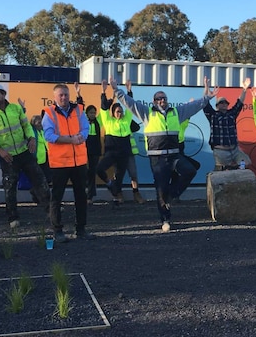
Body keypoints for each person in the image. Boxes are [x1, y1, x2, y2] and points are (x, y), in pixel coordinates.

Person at [112, 78, 213, 231]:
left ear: (167, 101)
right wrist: (116, 90)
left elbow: (193, 106)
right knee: (161, 190)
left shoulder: (176, 113)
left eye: (164, 98)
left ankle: (173, 194)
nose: (161, 100)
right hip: (157, 159)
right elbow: (129, 103)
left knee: (190, 170)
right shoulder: (147, 113)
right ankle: (165, 219)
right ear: (153, 101)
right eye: (158, 98)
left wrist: (207, 97)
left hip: (174, 155)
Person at [0, 82, 50, 230]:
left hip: (24, 152)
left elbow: (26, 126)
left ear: (4, 95)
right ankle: (13, 217)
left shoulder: (16, 108)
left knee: (39, 179)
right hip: (8, 157)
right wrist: (0, 151)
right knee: (10, 186)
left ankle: (50, 209)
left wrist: (31, 138)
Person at [42, 84, 94, 242]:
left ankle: (81, 229)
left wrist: (81, 137)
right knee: (56, 198)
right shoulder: (49, 113)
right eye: (60, 95)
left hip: (78, 162)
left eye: (65, 94)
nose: (63, 98)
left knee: (81, 196)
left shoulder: (78, 110)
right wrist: (70, 140)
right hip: (60, 163)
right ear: (55, 97)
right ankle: (57, 231)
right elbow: (49, 136)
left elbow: (86, 127)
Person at [97, 79, 138, 207]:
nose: (119, 113)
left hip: (124, 152)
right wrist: (103, 92)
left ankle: (117, 195)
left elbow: (130, 106)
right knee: (99, 169)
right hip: (111, 152)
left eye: (121, 111)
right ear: (113, 113)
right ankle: (110, 184)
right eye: (117, 112)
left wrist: (129, 92)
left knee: (119, 177)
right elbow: (104, 108)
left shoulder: (126, 120)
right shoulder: (108, 121)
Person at [203, 76, 252, 171]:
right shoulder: (213, 115)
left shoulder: (231, 114)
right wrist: (206, 87)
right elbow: (204, 103)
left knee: (245, 163)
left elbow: (240, 103)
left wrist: (244, 89)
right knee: (221, 172)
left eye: (226, 103)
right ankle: (225, 172)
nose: (224, 104)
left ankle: (235, 170)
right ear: (217, 106)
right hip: (220, 151)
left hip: (235, 149)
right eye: (222, 103)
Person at [84, 104, 102, 203]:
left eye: (94, 113)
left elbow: (104, 109)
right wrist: (79, 96)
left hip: (95, 149)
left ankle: (90, 195)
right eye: (91, 112)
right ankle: (84, 191)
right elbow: (80, 108)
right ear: (86, 113)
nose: (93, 114)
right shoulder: (83, 122)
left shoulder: (98, 121)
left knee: (92, 171)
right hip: (84, 148)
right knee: (83, 171)